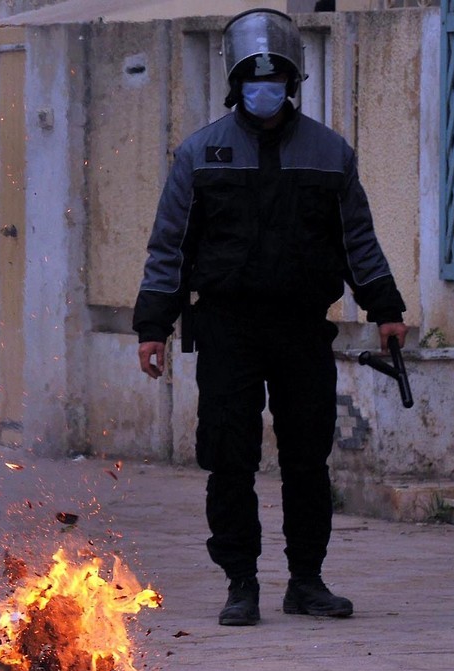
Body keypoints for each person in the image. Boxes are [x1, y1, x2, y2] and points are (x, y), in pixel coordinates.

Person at [133, 8, 407, 627]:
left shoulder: (330, 153)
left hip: (302, 327)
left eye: (276, 80)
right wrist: (154, 326)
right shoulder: (200, 153)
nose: (266, 91)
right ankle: (241, 582)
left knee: (307, 457)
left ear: (292, 85)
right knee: (229, 457)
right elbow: (170, 246)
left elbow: (357, 240)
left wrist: (385, 309)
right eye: (254, 81)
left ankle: (306, 580)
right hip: (227, 327)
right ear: (236, 86)